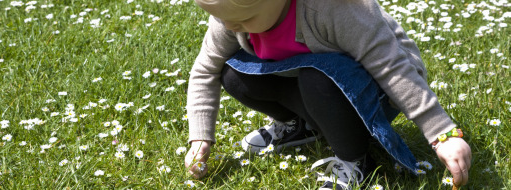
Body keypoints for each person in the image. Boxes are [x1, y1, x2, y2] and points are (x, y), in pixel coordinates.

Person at [183, 0, 472, 188]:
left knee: (316, 78)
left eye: (242, 21)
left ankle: (355, 161)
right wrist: (200, 137)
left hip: (377, 91)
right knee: (233, 74)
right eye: (223, 20)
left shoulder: (334, 7)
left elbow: (391, 65)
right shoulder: (232, 15)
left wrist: (441, 132)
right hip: (315, 81)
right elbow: (205, 69)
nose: (230, 28)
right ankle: (303, 126)